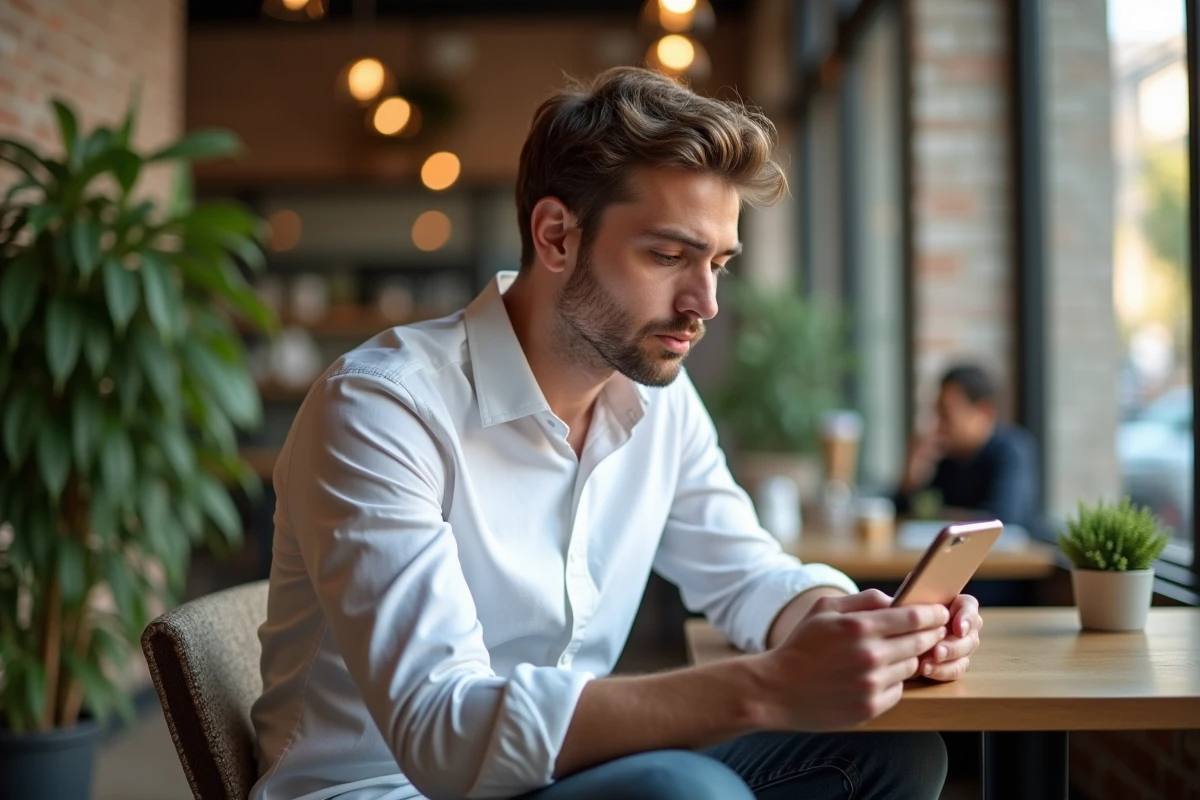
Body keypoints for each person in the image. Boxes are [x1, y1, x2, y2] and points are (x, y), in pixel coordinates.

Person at [250, 67, 981, 800]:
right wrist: (766, 687)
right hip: (390, 788)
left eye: (719, 264)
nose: (706, 304)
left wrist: (862, 627)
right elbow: (445, 731)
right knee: (684, 793)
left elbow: (749, 575)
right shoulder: (381, 408)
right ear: (557, 236)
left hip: (553, 773)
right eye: (669, 256)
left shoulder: (657, 398)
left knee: (896, 756)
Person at [895, 364, 1040, 532]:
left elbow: (1004, 520)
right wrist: (910, 477)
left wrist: (939, 515)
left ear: (984, 411)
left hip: (1009, 557)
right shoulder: (947, 458)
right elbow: (905, 515)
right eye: (937, 412)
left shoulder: (1012, 450)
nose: (938, 424)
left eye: (946, 414)